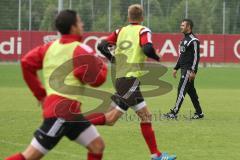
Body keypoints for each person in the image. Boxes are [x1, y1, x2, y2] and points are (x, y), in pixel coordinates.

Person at [5, 10, 107, 160]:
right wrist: (101, 63)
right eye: (79, 22)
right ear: (73, 27)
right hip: (62, 113)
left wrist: (40, 95)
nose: (82, 24)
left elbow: (26, 63)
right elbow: (97, 80)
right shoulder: (81, 49)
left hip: (70, 113)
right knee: (30, 156)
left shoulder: (49, 48)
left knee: (97, 146)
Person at [85, 4, 176, 160]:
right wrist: (157, 57)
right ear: (142, 18)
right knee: (112, 118)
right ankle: (75, 123)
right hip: (130, 79)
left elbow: (101, 45)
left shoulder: (120, 31)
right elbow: (147, 48)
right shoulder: (143, 30)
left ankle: (156, 155)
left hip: (123, 79)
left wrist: (112, 59)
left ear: (129, 18)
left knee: (145, 116)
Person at [164, 19, 204, 120]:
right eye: (181, 25)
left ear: (189, 27)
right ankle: (199, 113)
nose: (181, 27)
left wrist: (193, 71)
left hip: (188, 71)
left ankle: (174, 112)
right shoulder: (183, 40)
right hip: (183, 69)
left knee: (181, 90)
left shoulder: (194, 40)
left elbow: (196, 57)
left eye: (183, 25)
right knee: (191, 92)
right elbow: (181, 56)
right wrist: (176, 68)